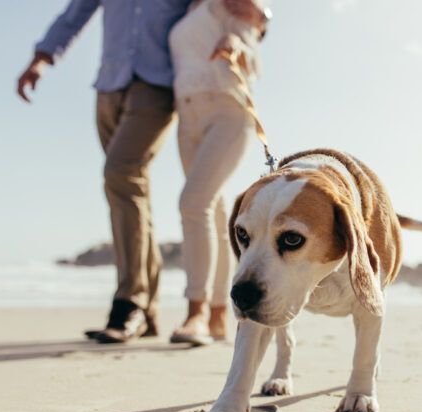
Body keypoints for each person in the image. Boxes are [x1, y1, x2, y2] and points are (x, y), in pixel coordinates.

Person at [17, 0, 268, 344]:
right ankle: (161, 311)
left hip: (160, 88)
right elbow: (75, 14)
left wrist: (250, 29)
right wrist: (42, 58)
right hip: (114, 84)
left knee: (126, 176)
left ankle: (137, 304)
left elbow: (250, 17)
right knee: (137, 192)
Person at [167, 0, 266, 345]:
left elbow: (252, 47)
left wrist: (236, 44)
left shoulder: (231, 3)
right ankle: (218, 315)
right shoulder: (184, 10)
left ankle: (195, 312)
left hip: (227, 110)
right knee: (214, 209)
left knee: (193, 203)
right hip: (187, 117)